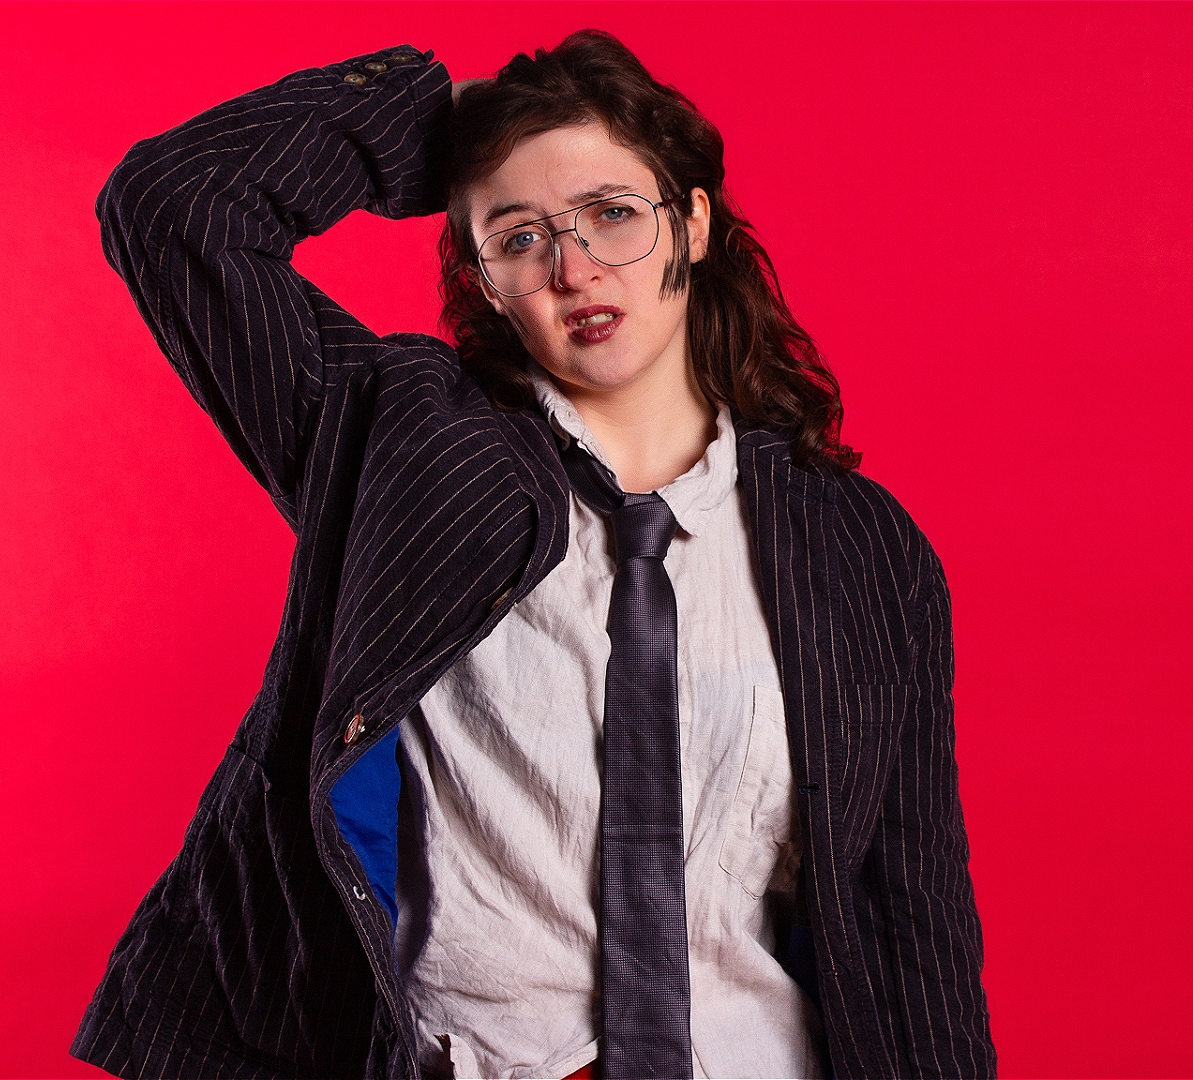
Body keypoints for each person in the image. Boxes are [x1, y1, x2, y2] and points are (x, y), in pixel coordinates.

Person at [72, 29, 994, 1080]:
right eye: (519, 237)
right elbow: (172, 206)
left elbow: (910, 908)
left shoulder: (861, 548)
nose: (574, 269)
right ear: (484, 280)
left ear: (692, 223)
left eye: (613, 213)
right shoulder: (404, 448)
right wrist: (435, 118)